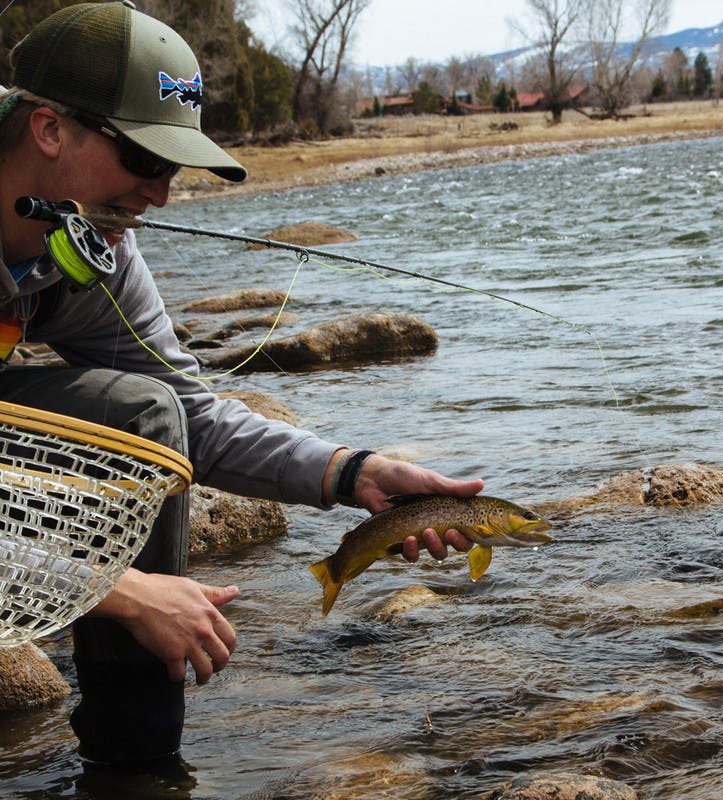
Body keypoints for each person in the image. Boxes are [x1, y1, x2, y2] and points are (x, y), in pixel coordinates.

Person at [0, 2, 483, 766]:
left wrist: (352, 472)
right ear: (50, 129)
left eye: (174, 168)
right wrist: (120, 590)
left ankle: (135, 766)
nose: (160, 196)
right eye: (145, 161)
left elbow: (190, 414)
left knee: (146, 414)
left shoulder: (96, 246)